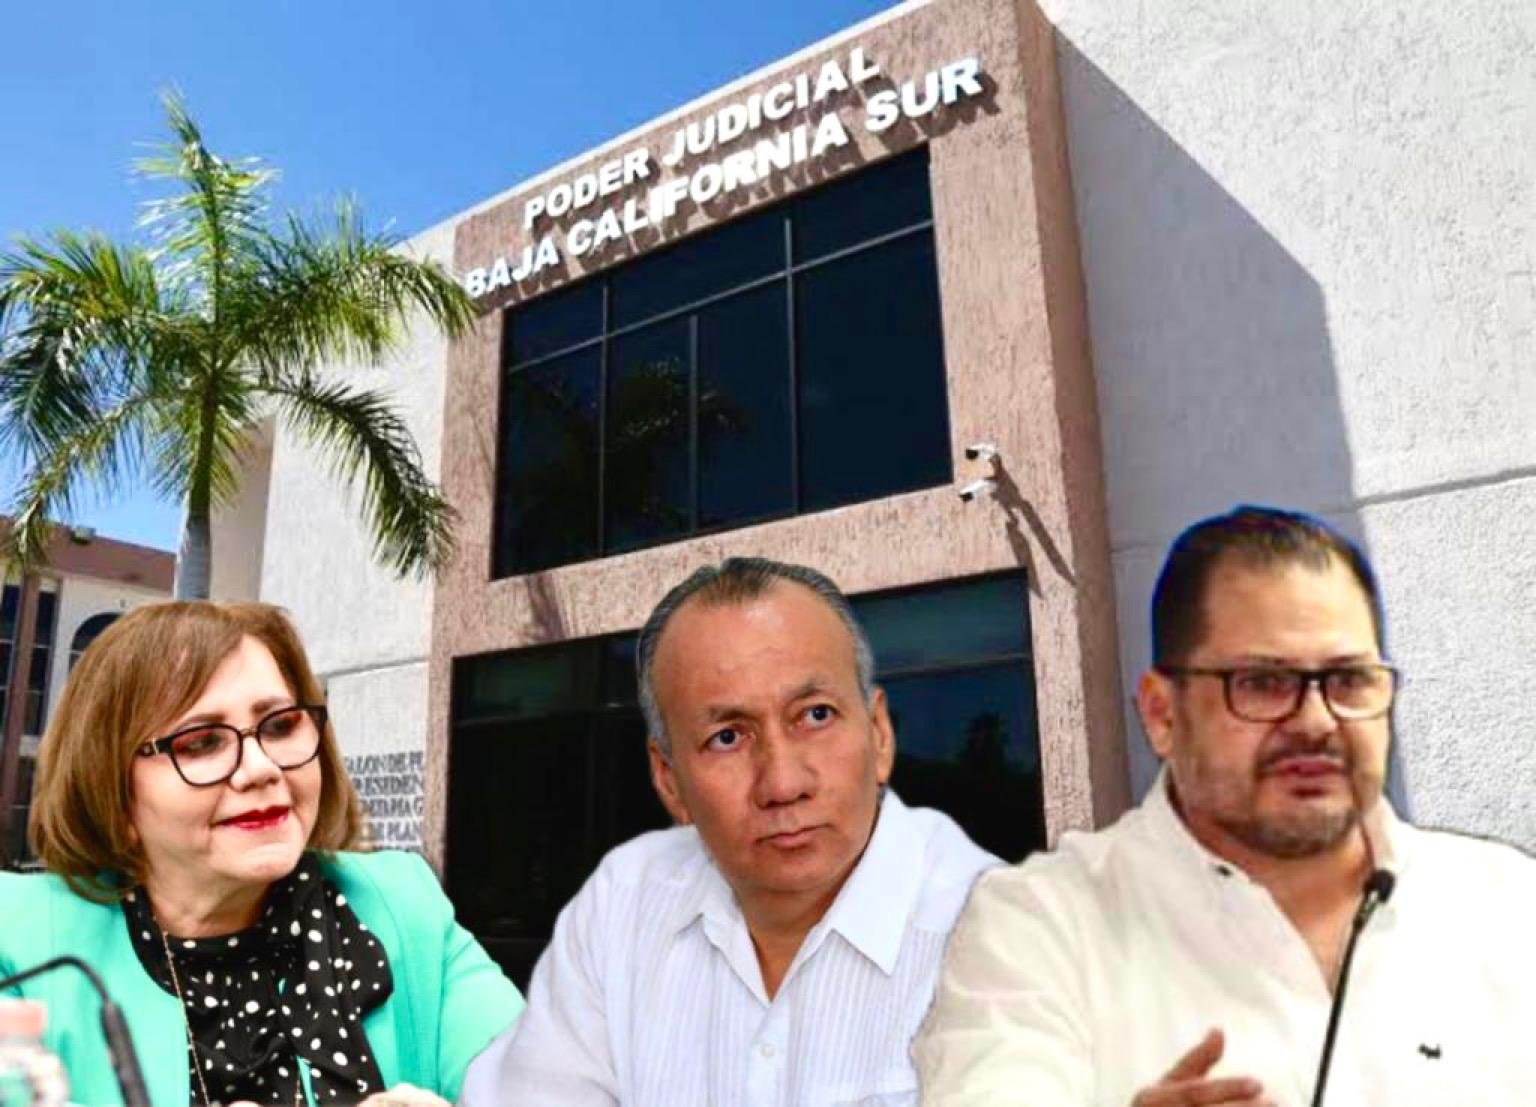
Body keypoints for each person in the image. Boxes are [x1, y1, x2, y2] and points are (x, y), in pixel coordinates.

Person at [914, 505, 1536, 1105]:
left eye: (1349, 681)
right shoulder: (1039, 927)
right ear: (1162, 714)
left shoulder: (1508, 904)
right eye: (1263, 683)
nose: (1317, 721)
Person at [461, 557, 998, 1106]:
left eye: (815, 715)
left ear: (879, 734)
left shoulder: (997, 940)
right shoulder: (623, 904)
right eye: (727, 738)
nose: (783, 784)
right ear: (669, 781)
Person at [0, 602, 523, 1106]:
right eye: (201, 742)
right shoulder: (16, 937)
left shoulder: (403, 903)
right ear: (111, 790)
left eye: (279, 726)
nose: (260, 769)